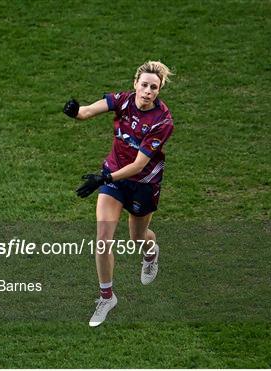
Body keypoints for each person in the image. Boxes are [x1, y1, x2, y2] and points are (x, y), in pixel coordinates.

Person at [63, 61, 174, 327]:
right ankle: (106, 297)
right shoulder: (123, 101)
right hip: (113, 178)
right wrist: (75, 112)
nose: (148, 91)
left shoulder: (162, 121)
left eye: (154, 87)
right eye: (144, 85)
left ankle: (150, 253)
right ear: (135, 83)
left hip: (143, 183)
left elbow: (138, 165)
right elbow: (88, 111)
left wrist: (104, 177)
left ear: (159, 91)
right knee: (102, 238)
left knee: (137, 237)